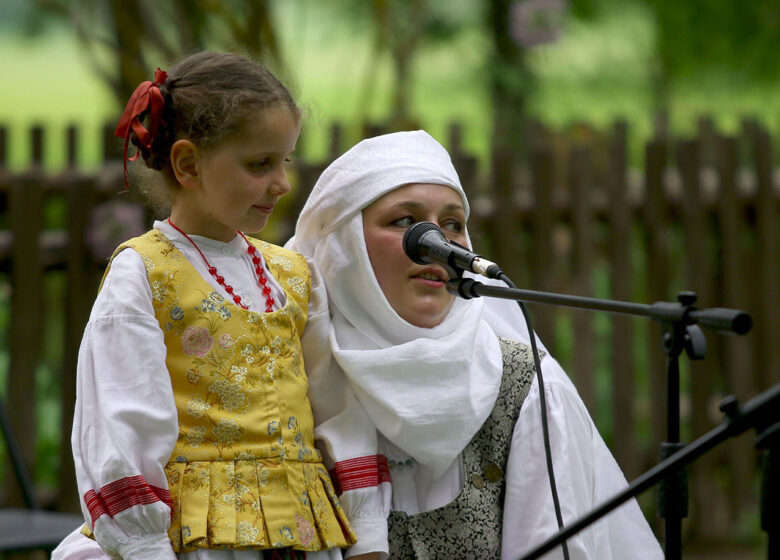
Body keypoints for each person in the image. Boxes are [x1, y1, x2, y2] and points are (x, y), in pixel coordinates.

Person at [287, 130, 664, 559]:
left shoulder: (526, 387)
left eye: (452, 225)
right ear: (342, 245)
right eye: (405, 222)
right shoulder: (287, 375)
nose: (437, 246)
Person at [51, 52, 354, 560]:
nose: (282, 183)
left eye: (285, 160)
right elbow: (121, 420)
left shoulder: (293, 274)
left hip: (303, 533)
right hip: (199, 540)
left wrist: (365, 525)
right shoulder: (144, 273)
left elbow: (337, 409)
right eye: (260, 163)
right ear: (189, 164)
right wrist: (144, 544)